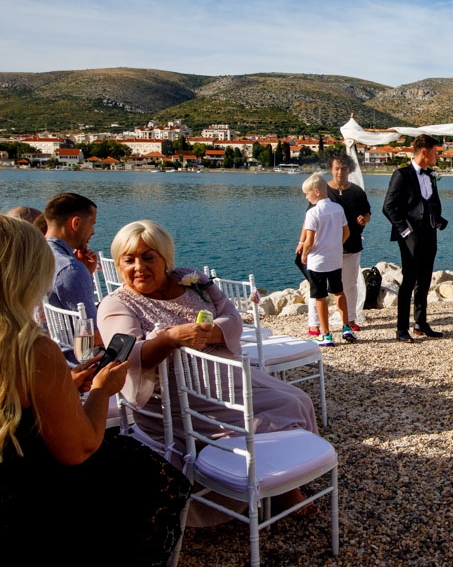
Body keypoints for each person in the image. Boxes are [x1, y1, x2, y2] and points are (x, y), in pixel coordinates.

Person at [96, 220, 317, 523]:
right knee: (272, 416)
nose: (139, 267)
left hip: (224, 378)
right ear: (119, 263)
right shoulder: (116, 305)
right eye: (129, 259)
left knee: (297, 399)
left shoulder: (194, 282)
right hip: (175, 399)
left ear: (165, 258)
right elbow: (128, 356)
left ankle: (279, 478)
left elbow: (234, 319)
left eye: (148, 257)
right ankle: (273, 487)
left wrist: (207, 332)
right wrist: (170, 339)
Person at [0, 215, 191, 564]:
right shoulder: (29, 348)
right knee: (158, 477)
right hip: (24, 488)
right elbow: (81, 448)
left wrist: (63, 387)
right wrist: (103, 389)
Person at [382, 134, 448, 343]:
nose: (438, 156)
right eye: (436, 152)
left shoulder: (431, 175)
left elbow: (430, 203)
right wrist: (405, 231)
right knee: (409, 281)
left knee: (425, 280)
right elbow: (388, 207)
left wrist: (438, 219)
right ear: (424, 152)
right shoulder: (401, 174)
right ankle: (401, 328)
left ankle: (420, 323)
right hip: (410, 237)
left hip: (430, 234)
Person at [42, 192, 103, 361]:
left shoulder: (37, 255)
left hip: (52, 350)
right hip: (80, 359)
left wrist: (86, 272)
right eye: (91, 224)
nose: (93, 232)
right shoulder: (70, 269)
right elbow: (93, 335)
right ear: (76, 223)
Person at [298, 172, 354, 345]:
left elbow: (309, 240)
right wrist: (336, 244)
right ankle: (346, 328)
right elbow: (347, 232)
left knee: (320, 297)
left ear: (316, 191)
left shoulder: (313, 213)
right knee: (339, 292)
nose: (306, 197)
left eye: (307, 194)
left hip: (318, 260)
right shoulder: (338, 209)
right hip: (335, 257)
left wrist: (304, 254)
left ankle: (326, 334)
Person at [326, 152, 372, 332]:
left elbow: (367, 213)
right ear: (331, 169)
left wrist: (364, 220)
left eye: (343, 169)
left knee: (350, 283)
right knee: (325, 285)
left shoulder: (357, 192)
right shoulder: (323, 191)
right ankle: (319, 322)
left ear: (349, 170)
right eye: (336, 168)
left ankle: (351, 318)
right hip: (328, 246)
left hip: (352, 245)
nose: (340, 172)